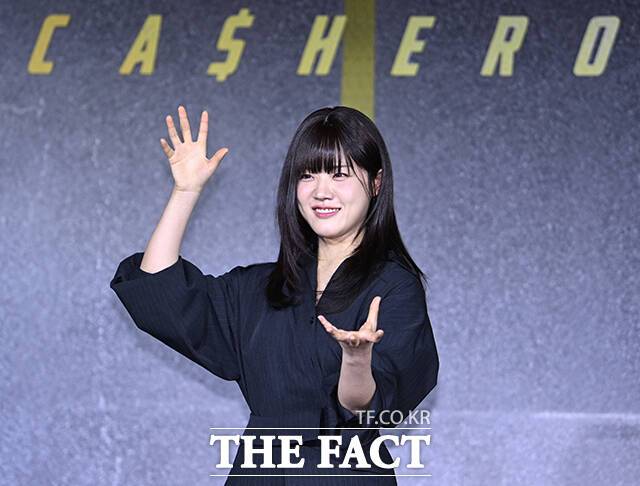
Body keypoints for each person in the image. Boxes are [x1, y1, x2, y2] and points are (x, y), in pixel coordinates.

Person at [109, 105, 439, 484]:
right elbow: (158, 288)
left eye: (339, 174)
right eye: (307, 175)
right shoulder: (260, 287)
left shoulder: (394, 286)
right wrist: (186, 191)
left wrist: (356, 359)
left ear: (376, 183)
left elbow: (364, 407)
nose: (321, 191)